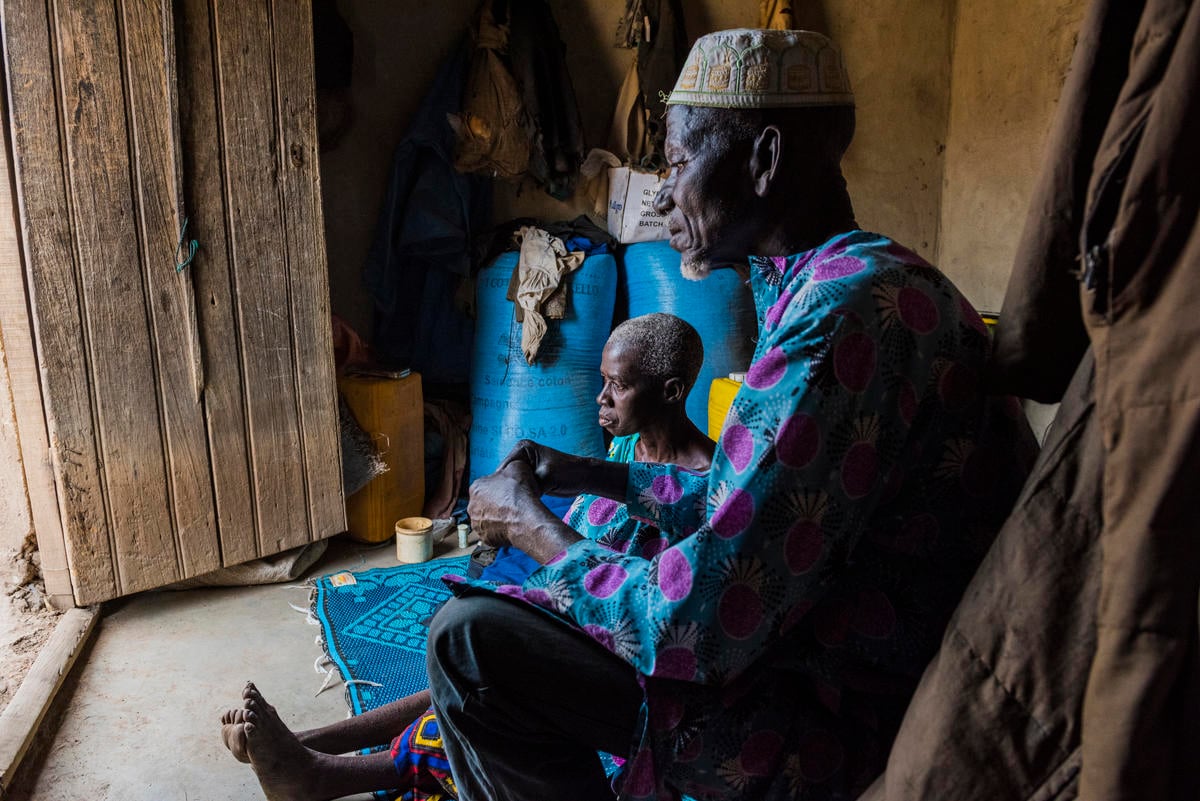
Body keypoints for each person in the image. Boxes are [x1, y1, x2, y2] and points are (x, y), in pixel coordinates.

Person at [426, 28, 1037, 801]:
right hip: (838, 646)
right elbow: (756, 507)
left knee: (471, 644)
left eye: (679, 163)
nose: (662, 195)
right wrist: (589, 475)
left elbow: (699, 623)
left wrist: (526, 523)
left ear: (764, 160)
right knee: (600, 534)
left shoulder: (837, 319)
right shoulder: (854, 277)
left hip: (848, 708)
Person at [219, 313, 715, 801]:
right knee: (463, 664)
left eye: (618, 386)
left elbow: (654, 610)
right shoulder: (628, 454)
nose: (601, 397)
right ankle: (312, 743)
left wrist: (528, 534)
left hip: (631, 662)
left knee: (480, 690)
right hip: (583, 619)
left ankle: (320, 775)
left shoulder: (709, 489)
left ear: (671, 392)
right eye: (602, 380)